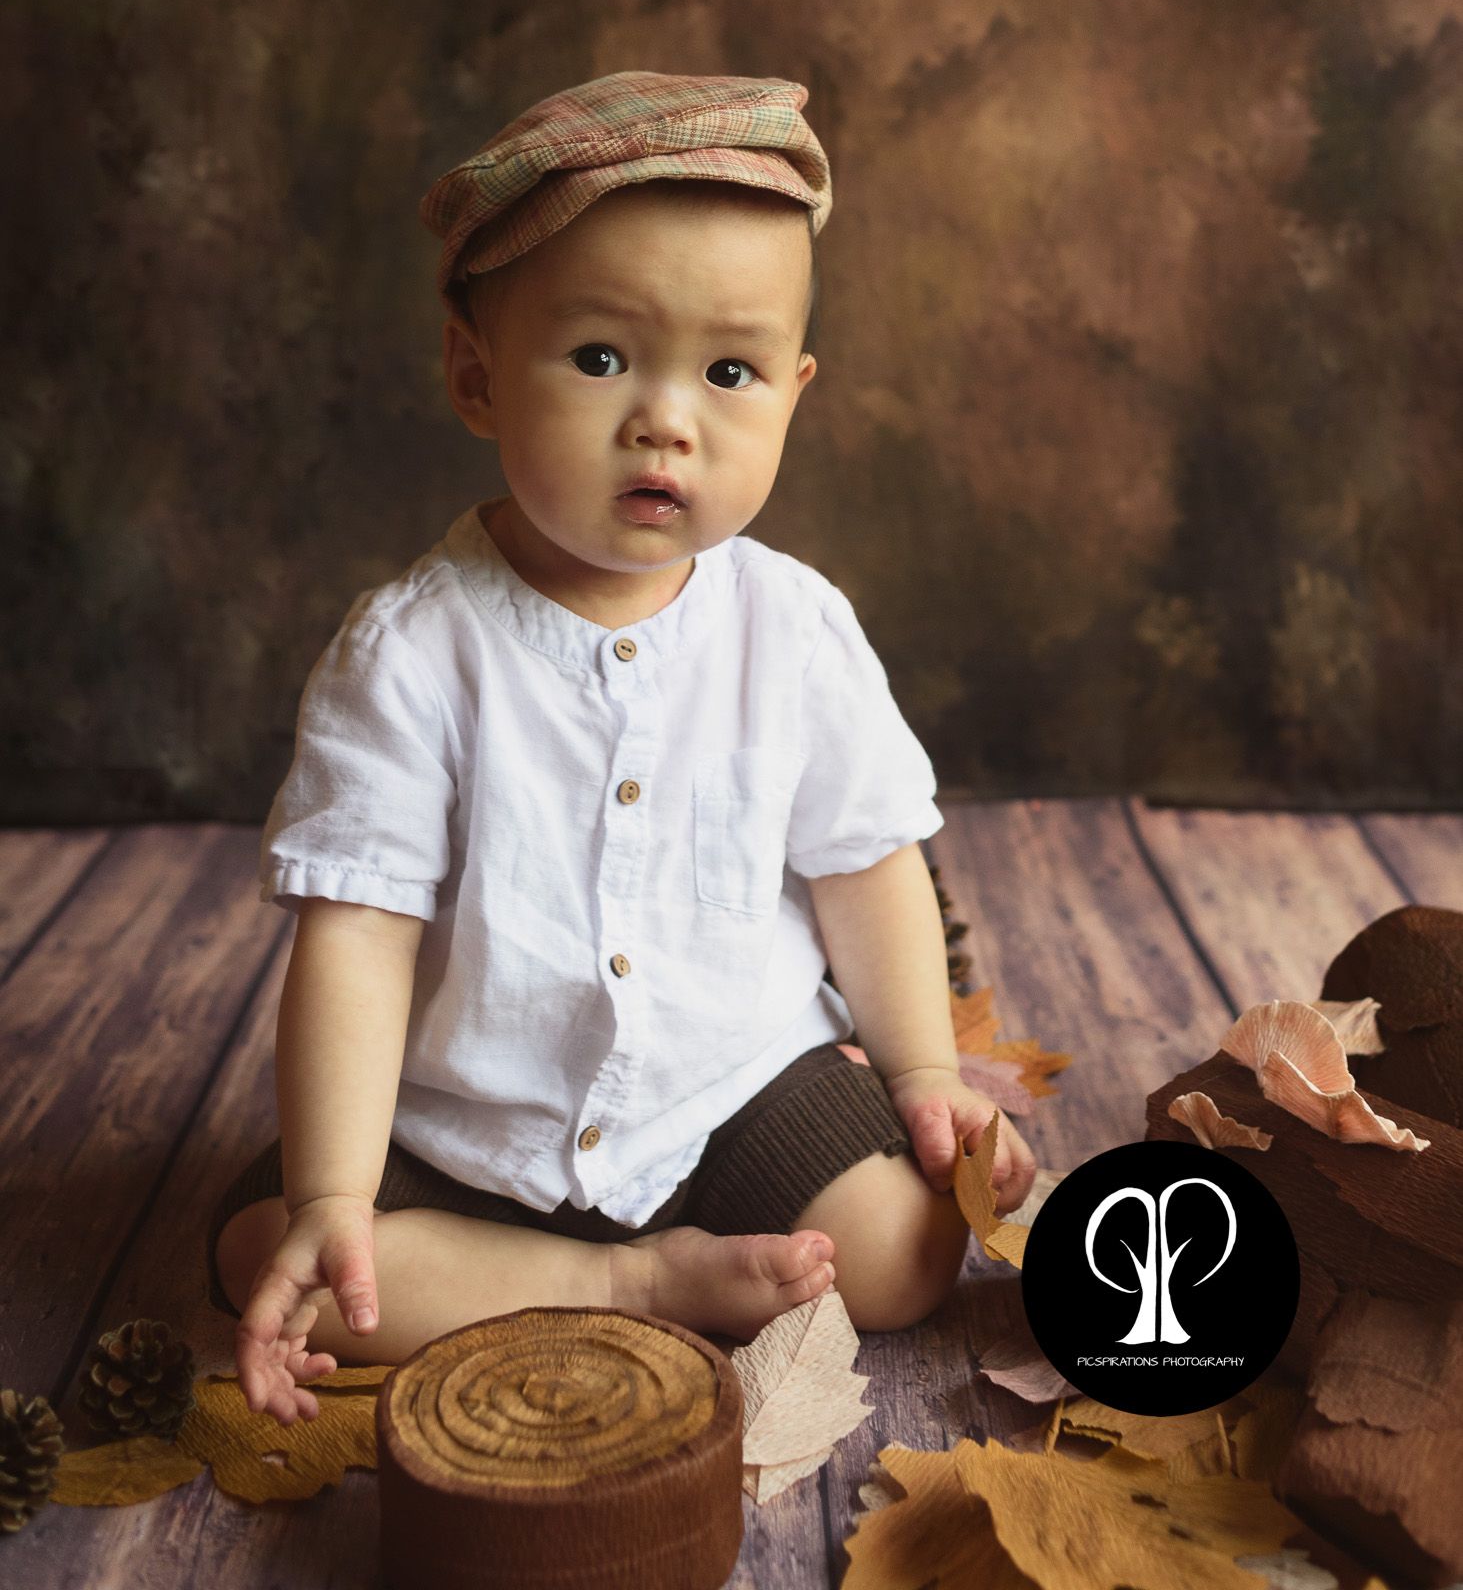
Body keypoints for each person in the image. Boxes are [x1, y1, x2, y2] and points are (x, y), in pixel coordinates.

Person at [206, 70, 1038, 1427]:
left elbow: (868, 865)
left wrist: (925, 1078)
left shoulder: (794, 630)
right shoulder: (412, 653)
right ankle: (631, 1283)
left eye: (730, 373)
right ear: (476, 375)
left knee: (900, 1258)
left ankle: (664, 1253)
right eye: (601, 359)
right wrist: (334, 1194)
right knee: (283, 1263)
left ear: (794, 394)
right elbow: (355, 937)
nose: (666, 419)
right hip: (468, 1123)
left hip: (733, 1087)